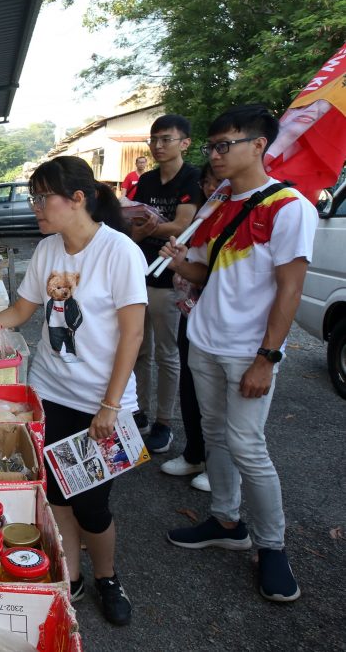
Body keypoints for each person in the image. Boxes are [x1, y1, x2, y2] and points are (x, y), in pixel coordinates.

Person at [0, 156, 146, 625]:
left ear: (77, 199)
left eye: (42, 197)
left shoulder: (118, 252)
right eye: (35, 197)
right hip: (49, 392)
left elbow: (133, 335)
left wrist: (110, 405)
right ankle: (71, 574)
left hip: (103, 402)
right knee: (56, 492)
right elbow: (21, 311)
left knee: (93, 503)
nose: (35, 206)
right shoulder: (48, 249)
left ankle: (107, 576)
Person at [160, 104, 317, 603]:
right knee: (212, 435)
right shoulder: (219, 204)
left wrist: (267, 357)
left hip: (249, 351)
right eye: (213, 146)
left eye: (226, 144)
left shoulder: (289, 207)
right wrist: (182, 264)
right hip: (205, 339)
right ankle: (227, 521)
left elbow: (289, 289)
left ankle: (272, 545)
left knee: (249, 446)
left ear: (259, 145)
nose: (216, 155)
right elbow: (209, 276)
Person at [128, 115, 203, 454]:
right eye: (153, 139)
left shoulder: (193, 177)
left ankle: (164, 421)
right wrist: (146, 229)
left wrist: (148, 229)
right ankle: (140, 412)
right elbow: (134, 221)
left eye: (166, 139)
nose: (158, 146)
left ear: (184, 142)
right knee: (139, 348)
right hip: (138, 274)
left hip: (169, 279)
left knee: (167, 353)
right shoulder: (145, 180)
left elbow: (182, 225)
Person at [160, 162, 220, 492]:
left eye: (217, 182)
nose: (212, 188)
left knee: (219, 405)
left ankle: (219, 468)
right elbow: (196, 269)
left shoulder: (252, 213)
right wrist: (181, 263)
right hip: (192, 311)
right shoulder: (206, 216)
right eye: (208, 183)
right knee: (191, 385)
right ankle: (195, 452)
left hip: (224, 325)